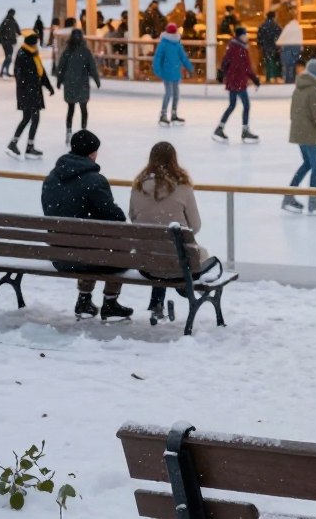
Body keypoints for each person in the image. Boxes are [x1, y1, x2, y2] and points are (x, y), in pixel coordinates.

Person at [41, 129, 133, 321]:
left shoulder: (51, 179)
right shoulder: (95, 181)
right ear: (92, 153)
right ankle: (110, 302)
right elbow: (116, 218)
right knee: (115, 245)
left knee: (90, 242)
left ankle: (84, 299)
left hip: (60, 255)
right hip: (88, 256)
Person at [129, 142, 209, 322]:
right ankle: (183, 290)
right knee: (186, 254)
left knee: (161, 251)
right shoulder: (183, 187)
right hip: (179, 266)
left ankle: (157, 302)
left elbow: (134, 219)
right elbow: (194, 226)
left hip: (147, 265)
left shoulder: (139, 186)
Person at [282, 58, 316, 213]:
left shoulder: (298, 88)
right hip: (309, 134)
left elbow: (293, 112)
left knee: (308, 164)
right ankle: (312, 200)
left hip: (299, 132)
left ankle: (289, 196)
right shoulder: (314, 90)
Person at [7, 31, 54, 160]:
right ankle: (22, 145)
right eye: (36, 44)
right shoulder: (23, 55)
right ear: (32, 44)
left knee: (29, 118)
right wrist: (28, 87)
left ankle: (20, 145)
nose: (37, 46)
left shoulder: (32, 54)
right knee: (32, 118)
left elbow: (41, 71)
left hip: (33, 91)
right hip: (27, 93)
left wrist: (48, 86)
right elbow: (19, 74)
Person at [213, 27, 260, 143]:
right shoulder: (241, 49)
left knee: (232, 105)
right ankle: (245, 131)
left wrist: (224, 74)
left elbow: (225, 62)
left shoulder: (232, 47)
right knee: (246, 105)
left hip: (232, 81)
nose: (246, 37)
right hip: (238, 81)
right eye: (245, 35)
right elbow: (246, 68)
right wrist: (255, 79)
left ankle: (220, 128)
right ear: (240, 36)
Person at [55, 28, 101, 144]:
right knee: (83, 109)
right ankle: (83, 131)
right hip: (82, 84)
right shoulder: (85, 51)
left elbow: (61, 67)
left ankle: (69, 132)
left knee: (71, 109)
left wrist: (59, 81)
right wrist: (96, 79)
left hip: (70, 83)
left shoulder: (67, 51)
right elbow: (92, 67)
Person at [151, 23, 193, 126]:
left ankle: (172, 115)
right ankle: (164, 115)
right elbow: (158, 58)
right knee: (170, 94)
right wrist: (190, 67)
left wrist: (189, 67)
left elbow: (182, 57)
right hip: (168, 73)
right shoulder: (165, 44)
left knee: (175, 94)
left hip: (174, 73)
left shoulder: (173, 44)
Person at [277, 15, 303, 84]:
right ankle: (292, 80)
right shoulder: (298, 27)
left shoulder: (287, 27)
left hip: (287, 48)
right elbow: (300, 39)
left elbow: (281, 39)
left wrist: (279, 44)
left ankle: (287, 80)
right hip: (296, 48)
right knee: (293, 66)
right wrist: (301, 48)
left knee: (286, 66)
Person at [257, 10, 282, 82]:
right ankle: (273, 76)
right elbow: (279, 36)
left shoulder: (263, 25)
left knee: (268, 61)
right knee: (273, 61)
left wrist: (260, 45)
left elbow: (259, 37)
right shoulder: (276, 25)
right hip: (274, 46)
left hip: (265, 47)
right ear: (274, 17)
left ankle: (269, 76)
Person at [0, 7, 20, 77]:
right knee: (8, 57)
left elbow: (17, 30)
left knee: (8, 57)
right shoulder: (9, 21)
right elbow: (0, 31)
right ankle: (4, 71)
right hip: (7, 42)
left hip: (7, 41)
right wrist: (3, 39)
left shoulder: (8, 20)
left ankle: (4, 71)